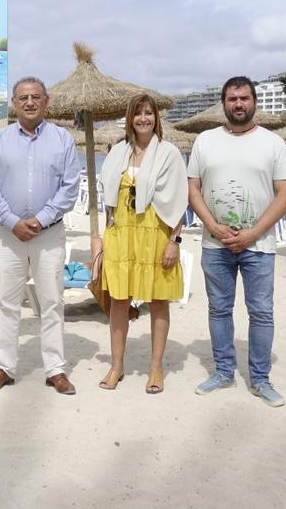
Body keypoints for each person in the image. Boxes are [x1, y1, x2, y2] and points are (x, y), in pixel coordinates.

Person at [187, 76, 286, 407]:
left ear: (254, 102)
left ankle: (260, 379)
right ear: (224, 103)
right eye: (232, 99)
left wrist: (252, 232)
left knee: (261, 312)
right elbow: (193, 189)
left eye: (244, 98)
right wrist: (214, 226)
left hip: (258, 245)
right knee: (219, 309)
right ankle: (223, 371)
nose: (238, 104)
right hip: (215, 244)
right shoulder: (205, 141)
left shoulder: (273, 143)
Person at [0, 77, 80, 395]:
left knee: (51, 302)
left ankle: (55, 369)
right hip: (9, 235)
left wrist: (39, 219)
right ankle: (4, 368)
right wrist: (12, 221)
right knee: (8, 303)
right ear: (13, 102)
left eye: (36, 97)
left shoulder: (63, 140)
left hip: (48, 234)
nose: (30, 102)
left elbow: (70, 188)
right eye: (23, 98)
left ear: (46, 101)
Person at [98, 94, 188, 394]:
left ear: (156, 118)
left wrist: (174, 241)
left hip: (156, 232)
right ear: (130, 118)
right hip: (122, 233)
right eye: (138, 114)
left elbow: (178, 199)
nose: (144, 119)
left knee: (158, 300)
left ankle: (155, 367)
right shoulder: (117, 152)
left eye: (149, 113)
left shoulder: (169, 153)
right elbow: (108, 203)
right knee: (119, 301)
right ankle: (117, 365)